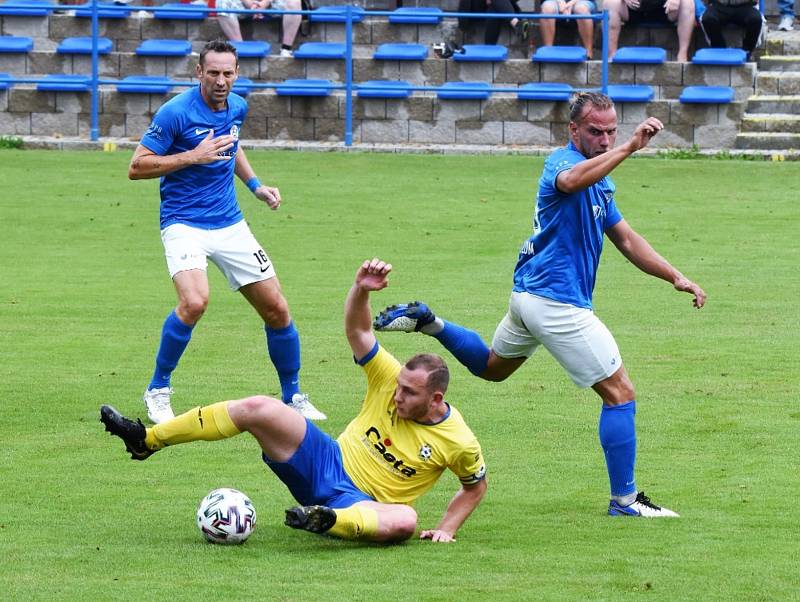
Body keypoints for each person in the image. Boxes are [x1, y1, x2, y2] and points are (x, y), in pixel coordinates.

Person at [375, 92, 707, 519]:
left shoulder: (601, 180)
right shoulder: (560, 163)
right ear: (573, 130)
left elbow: (625, 238)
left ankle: (430, 322)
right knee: (620, 394)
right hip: (555, 300)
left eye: (612, 132)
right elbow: (571, 182)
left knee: (493, 367)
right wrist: (629, 147)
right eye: (595, 131)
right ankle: (625, 501)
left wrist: (674, 275)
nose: (605, 139)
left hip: (529, 296)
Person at [100, 258, 488, 544]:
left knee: (405, 520)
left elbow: (475, 486)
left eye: (410, 393)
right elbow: (358, 329)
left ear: (436, 398)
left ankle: (324, 520)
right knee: (260, 407)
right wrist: (361, 289)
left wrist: (447, 528)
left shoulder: (459, 441)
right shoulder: (389, 378)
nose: (397, 395)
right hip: (324, 459)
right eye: (399, 385)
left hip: (362, 504)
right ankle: (146, 439)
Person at [128, 39, 326, 424]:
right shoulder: (175, 113)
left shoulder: (237, 105)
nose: (221, 80)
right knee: (194, 302)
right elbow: (136, 166)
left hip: (230, 223)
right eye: (213, 73)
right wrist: (192, 157)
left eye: (228, 73)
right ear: (199, 72)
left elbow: (232, 146)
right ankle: (158, 389)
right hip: (184, 223)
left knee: (278, 309)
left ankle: (293, 395)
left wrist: (256, 187)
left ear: (237, 73)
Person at [604, 0, 696, 62]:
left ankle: (682, 55)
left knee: (687, 2)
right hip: (633, 8)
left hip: (665, 9)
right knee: (610, 2)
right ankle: (612, 55)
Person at [216, 0, 302, 57]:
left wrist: (264, 3)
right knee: (221, 2)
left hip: (273, 2)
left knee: (295, 1)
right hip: (245, 3)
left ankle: (286, 49)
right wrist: (250, 4)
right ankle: (240, 48)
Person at [699, 0, 764, 61]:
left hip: (746, 5)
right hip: (719, 5)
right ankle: (719, 49)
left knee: (755, 19)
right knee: (707, 19)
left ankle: (747, 51)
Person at [457, 0, 530, 45]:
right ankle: (517, 24)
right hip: (475, 6)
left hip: (500, 6)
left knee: (494, 10)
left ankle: (489, 49)